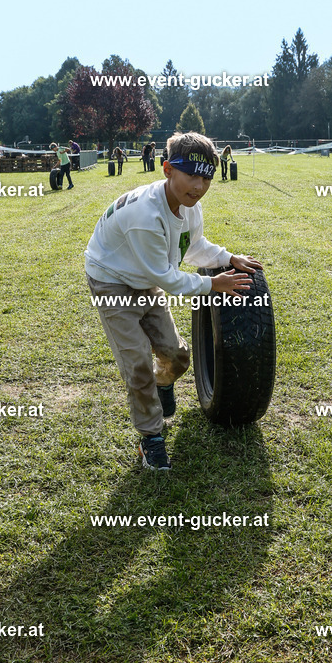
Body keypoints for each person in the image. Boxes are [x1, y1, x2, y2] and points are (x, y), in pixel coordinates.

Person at [85, 130, 263, 470]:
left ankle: (163, 381)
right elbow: (165, 278)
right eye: (191, 175)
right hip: (111, 281)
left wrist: (228, 257)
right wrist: (214, 285)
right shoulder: (146, 217)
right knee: (137, 364)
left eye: (206, 177)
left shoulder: (189, 207)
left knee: (178, 356)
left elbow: (192, 248)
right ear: (167, 169)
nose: (198, 185)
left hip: (146, 275)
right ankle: (151, 438)